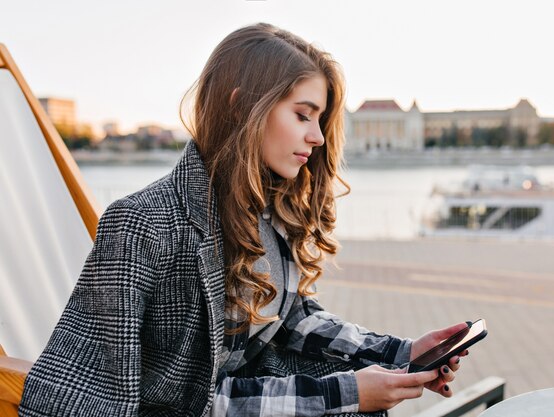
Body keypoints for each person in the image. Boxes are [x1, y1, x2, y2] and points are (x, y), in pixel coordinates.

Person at [19, 23, 469, 417]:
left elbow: (291, 319)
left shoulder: (269, 212)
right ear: (240, 107)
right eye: (302, 115)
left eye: (320, 120)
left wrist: (400, 352)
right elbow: (164, 403)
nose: (316, 136)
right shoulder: (142, 226)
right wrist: (345, 392)